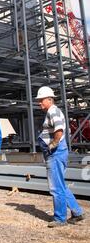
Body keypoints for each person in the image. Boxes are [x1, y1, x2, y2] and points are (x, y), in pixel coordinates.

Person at [36, 86, 84, 228]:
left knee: (55, 187)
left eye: (41, 100)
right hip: (56, 153)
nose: (39, 103)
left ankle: (60, 218)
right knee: (61, 185)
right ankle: (77, 212)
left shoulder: (53, 111)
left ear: (49, 99)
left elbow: (59, 130)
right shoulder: (52, 112)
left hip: (55, 153)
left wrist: (53, 144)